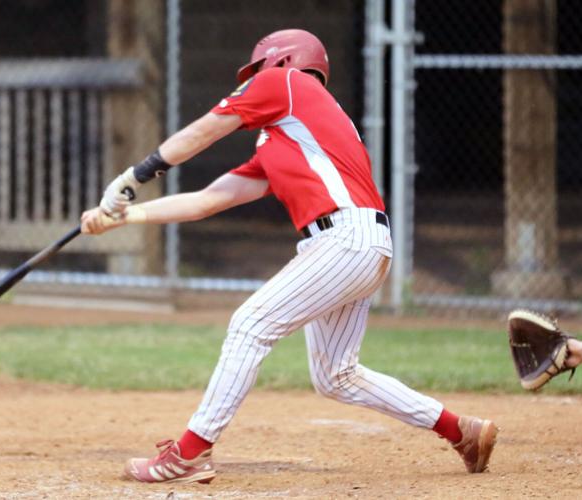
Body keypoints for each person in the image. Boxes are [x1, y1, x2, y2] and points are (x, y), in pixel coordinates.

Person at [81, 29, 498, 484]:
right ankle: (461, 430)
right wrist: (126, 215)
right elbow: (209, 200)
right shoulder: (290, 137)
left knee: (249, 325)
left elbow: (206, 129)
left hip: (345, 240)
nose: (252, 83)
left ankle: (189, 454)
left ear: (280, 62)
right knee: (336, 376)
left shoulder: (287, 83)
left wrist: (134, 175)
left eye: (256, 72)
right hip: (358, 245)